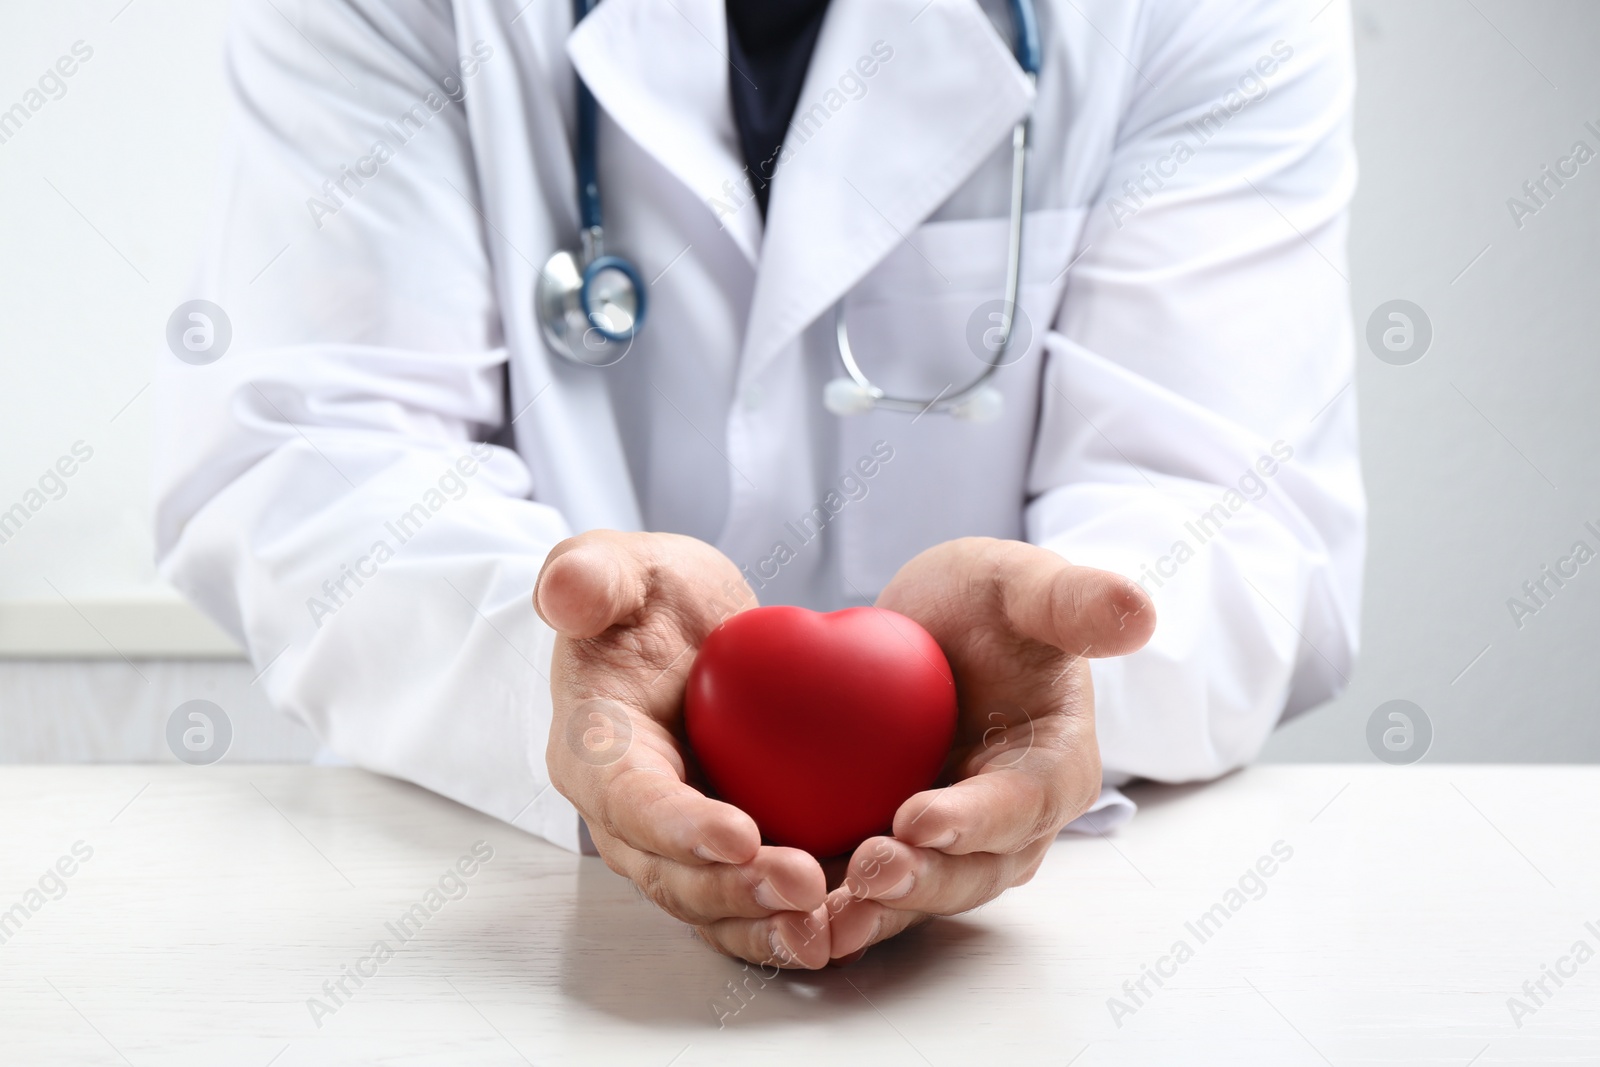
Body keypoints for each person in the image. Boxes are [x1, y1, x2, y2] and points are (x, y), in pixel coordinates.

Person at [152, 0, 1363, 970]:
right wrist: (571, 682)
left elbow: (1233, 511)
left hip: (1038, 946)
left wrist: (1033, 682)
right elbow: (314, 466)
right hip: (494, 922)